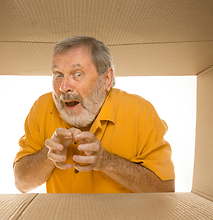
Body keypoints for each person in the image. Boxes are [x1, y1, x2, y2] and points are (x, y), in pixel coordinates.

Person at [13, 36, 175, 193]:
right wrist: (47, 157)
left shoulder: (140, 112)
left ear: (106, 79)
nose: (63, 87)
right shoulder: (42, 107)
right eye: (58, 75)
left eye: (77, 74)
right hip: (63, 218)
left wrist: (107, 162)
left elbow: (165, 190)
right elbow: (21, 184)